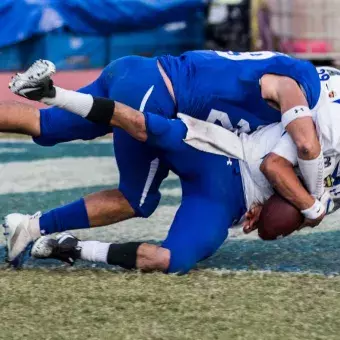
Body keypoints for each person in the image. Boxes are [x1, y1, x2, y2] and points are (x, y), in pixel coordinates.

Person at [3, 52, 327, 264]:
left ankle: (48, 96)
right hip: (157, 95)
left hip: (137, 70)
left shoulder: (290, 81)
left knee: (43, 123)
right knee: (136, 199)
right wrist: (313, 199)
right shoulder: (299, 85)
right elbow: (305, 143)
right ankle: (36, 225)